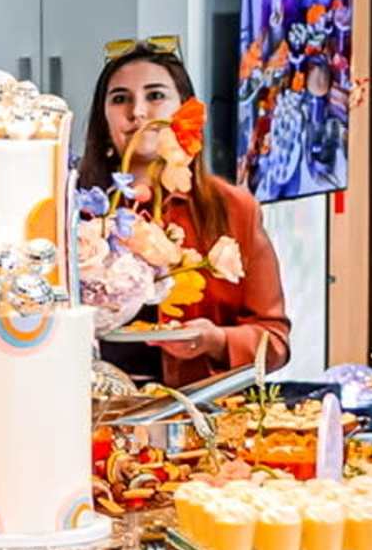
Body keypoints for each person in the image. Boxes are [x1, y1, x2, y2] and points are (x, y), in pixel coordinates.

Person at [78, 40, 290, 386]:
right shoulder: (76, 208)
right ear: (104, 119)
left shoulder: (233, 208)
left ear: (184, 110)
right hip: (89, 412)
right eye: (120, 99)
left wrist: (217, 341)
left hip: (194, 419)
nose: (138, 112)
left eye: (155, 95)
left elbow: (275, 340)